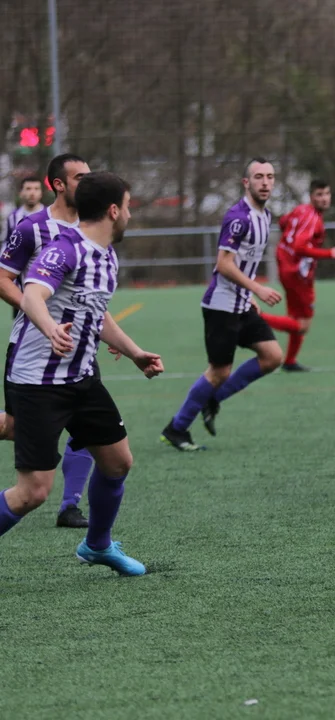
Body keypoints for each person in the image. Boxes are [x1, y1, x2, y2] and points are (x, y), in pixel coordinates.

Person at [0, 171, 164, 576]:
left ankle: (97, 545)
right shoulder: (64, 249)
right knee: (32, 492)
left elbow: (97, 312)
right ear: (114, 210)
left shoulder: (107, 255)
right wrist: (50, 328)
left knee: (118, 462)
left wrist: (135, 352)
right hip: (38, 382)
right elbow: (33, 293)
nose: (130, 214)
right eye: (128, 206)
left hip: (81, 378)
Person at [160, 158, 284, 451]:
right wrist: (257, 289)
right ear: (246, 183)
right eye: (259, 177)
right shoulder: (238, 217)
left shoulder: (265, 216)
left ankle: (212, 399)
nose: (265, 182)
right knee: (219, 372)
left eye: (269, 177)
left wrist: (248, 295)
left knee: (272, 356)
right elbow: (224, 264)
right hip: (221, 306)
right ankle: (177, 428)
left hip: (241, 303)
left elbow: (243, 263)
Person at [0, 154, 95, 528]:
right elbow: (3, 279)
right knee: (14, 427)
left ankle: (70, 505)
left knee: (91, 428)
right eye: (81, 177)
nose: (88, 183)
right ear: (58, 184)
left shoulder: (92, 226)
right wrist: (39, 315)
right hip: (33, 350)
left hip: (78, 348)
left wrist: (113, 335)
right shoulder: (31, 228)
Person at [261, 179, 335, 372]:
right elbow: (299, 246)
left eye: (327, 194)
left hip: (285, 265)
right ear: (311, 196)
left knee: (296, 316)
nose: (324, 198)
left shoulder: (300, 209)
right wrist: (329, 253)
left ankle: (290, 361)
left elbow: (283, 222)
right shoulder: (313, 219)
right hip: (297, 273)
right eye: (319, 195)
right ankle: (256, 318)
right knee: (302, 325)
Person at [5, 176, 44, 246]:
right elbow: (7, 242)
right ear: (21, 193)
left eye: (36, 189)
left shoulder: (51, 215)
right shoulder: (13, 217)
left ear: (41, 193)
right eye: (28, 189)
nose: (32, 193)